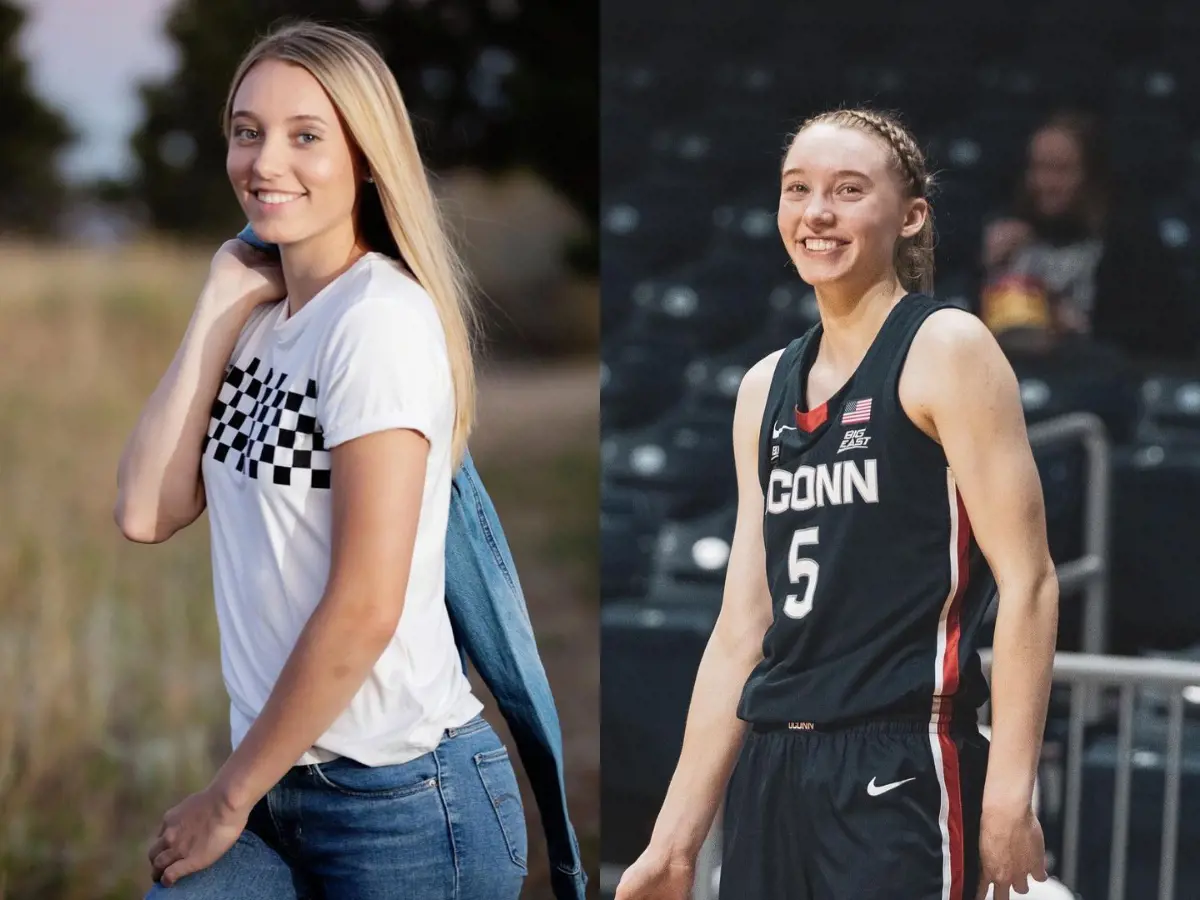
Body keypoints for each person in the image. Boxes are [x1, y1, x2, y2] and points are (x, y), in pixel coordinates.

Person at [115, 21, 527, 899]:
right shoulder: (263, 316)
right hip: (280, 786)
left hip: (408, 805)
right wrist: (218, 303)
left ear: (366, 159)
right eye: (246, 130)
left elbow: (366, 602)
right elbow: (144, 513)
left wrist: (225, 798)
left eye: (307, 135)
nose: (266, 161)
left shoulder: (377, 322)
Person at [615, 108, 1058, 900]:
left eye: (848, 190)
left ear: (911, 215)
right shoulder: (762, 388)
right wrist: (675, 839)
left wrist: (1009, 792)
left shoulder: (947, 348)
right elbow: (742, 629)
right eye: (798, 190)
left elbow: (1029, 583)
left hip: (901, 759)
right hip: (774, 764)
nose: (817, 212)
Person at [980, 110, 1195, 361]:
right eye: (1037, 168)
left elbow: (1162, 336)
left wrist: (1075, 327)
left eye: (1060, 171)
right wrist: (986, 270)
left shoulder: (1129, 241)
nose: (1044, 183)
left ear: (1090, 176)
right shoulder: (1010, 231)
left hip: (1092, 378)